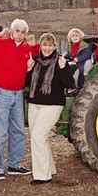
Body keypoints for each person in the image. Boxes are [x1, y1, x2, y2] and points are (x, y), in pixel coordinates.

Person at [0, 19, 39, 180]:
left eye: (23, 32)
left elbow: (36, 54)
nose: (20, 34)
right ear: (11, 30)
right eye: (17, 31)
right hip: (1, 94)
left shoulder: (26, 48)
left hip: (17, 94)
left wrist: (34, 47)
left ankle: (14, 165)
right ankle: (0, 167)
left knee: (18, 131)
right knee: (0, 133)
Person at [26, 33, 74, 185]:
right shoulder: (35, 61)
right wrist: (28, 69)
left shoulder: (59, 61)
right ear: (40, 46)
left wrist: (62, 68)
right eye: (44, 45)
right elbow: (28, 83)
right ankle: (49, 168)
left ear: (54, 46)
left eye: (50, 45)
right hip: (35, 103)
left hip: (53, 104)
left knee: (38, 136)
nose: (47, 48)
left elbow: (70, 84)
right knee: (41, 137)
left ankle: (42, 176)